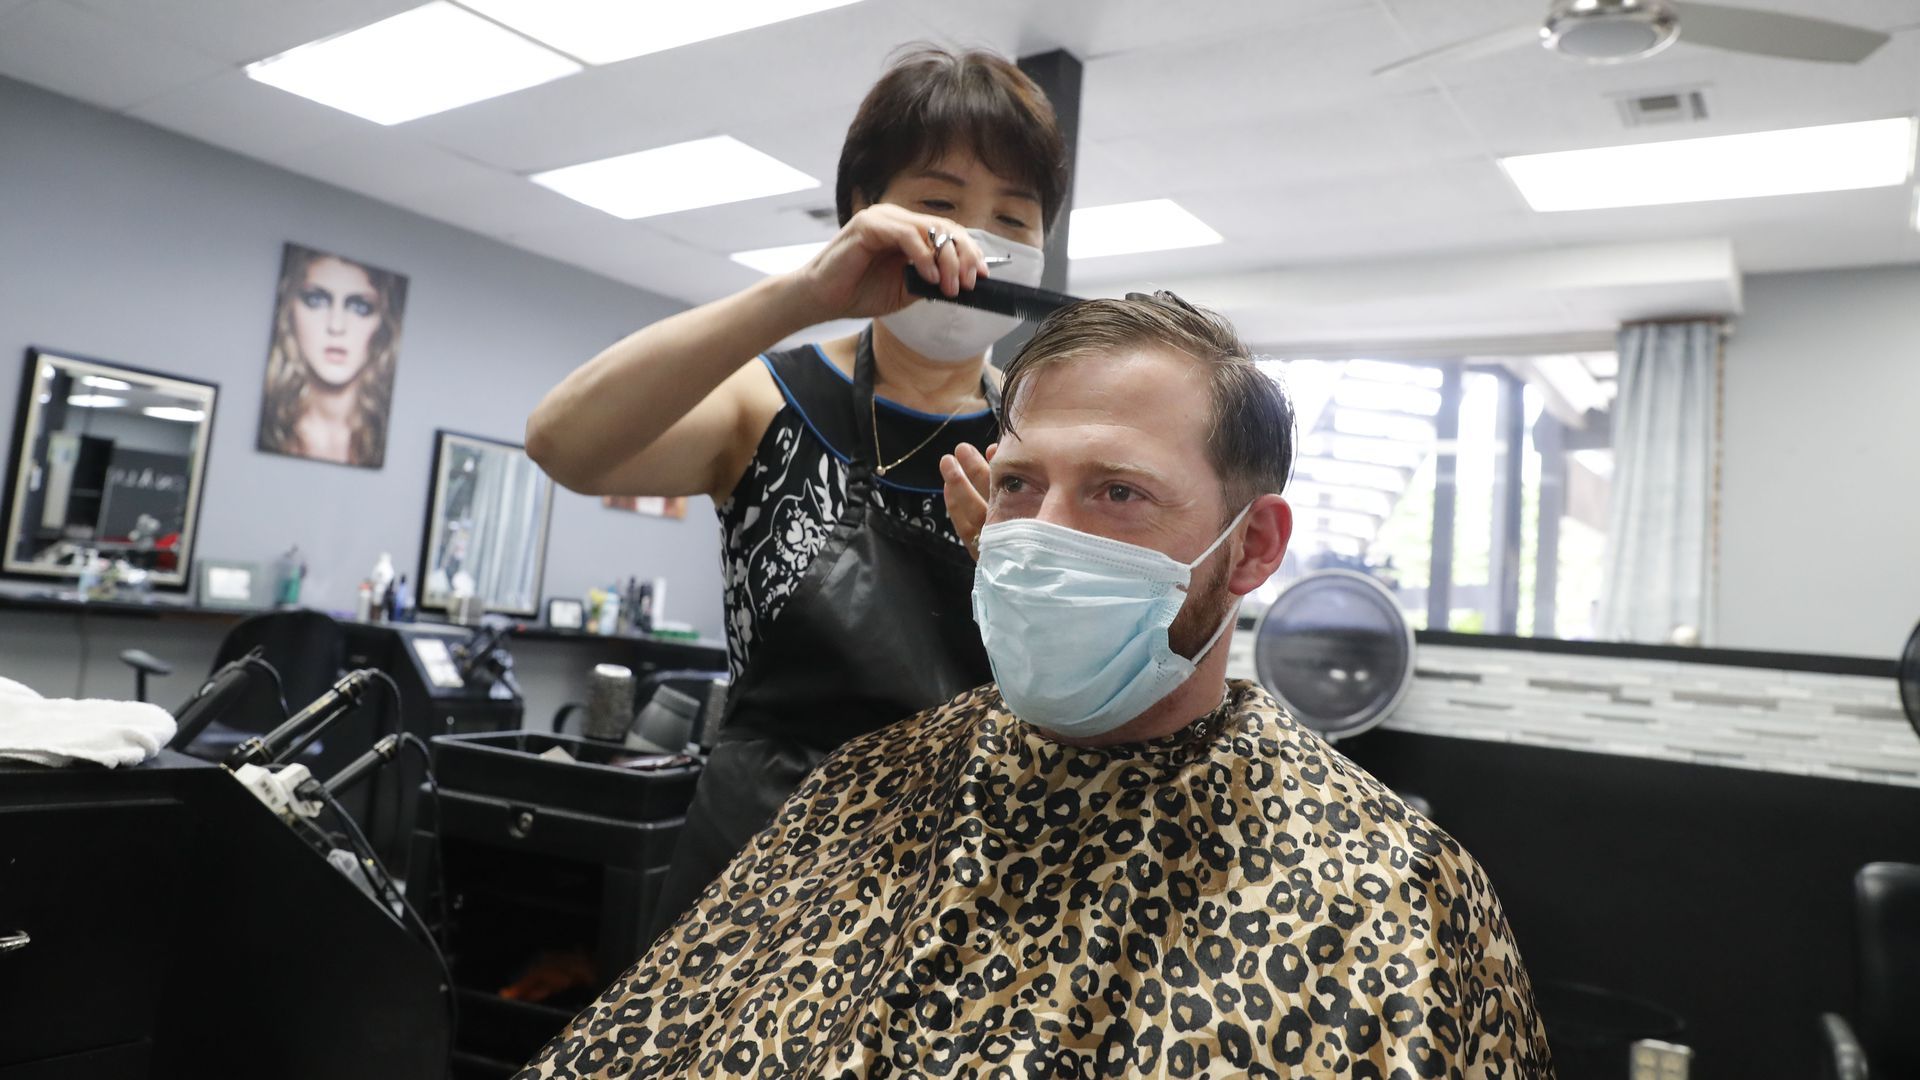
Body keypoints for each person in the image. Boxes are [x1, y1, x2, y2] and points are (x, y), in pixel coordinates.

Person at [514, 293, 1556, 1079]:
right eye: (1018, 484)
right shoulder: (860, 789)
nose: (1043, 537)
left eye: (1118, 493)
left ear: (1251, 550)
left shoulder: (1395, 894)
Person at [524, 45, 1068, 939]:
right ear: (864, 212)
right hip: (752, 878)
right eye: (937, 205)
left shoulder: (1040, 449)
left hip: (956, 887)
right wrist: (804, 296)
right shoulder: (765, 402)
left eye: (1013, 216)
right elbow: (562, 443)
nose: (973, 242)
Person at [256, 244, 405, 468]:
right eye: (316, 300)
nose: (336, 326)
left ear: (382, 323)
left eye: (360, 307)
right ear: (290, 311)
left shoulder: (384, 438)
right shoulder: (273, 431)